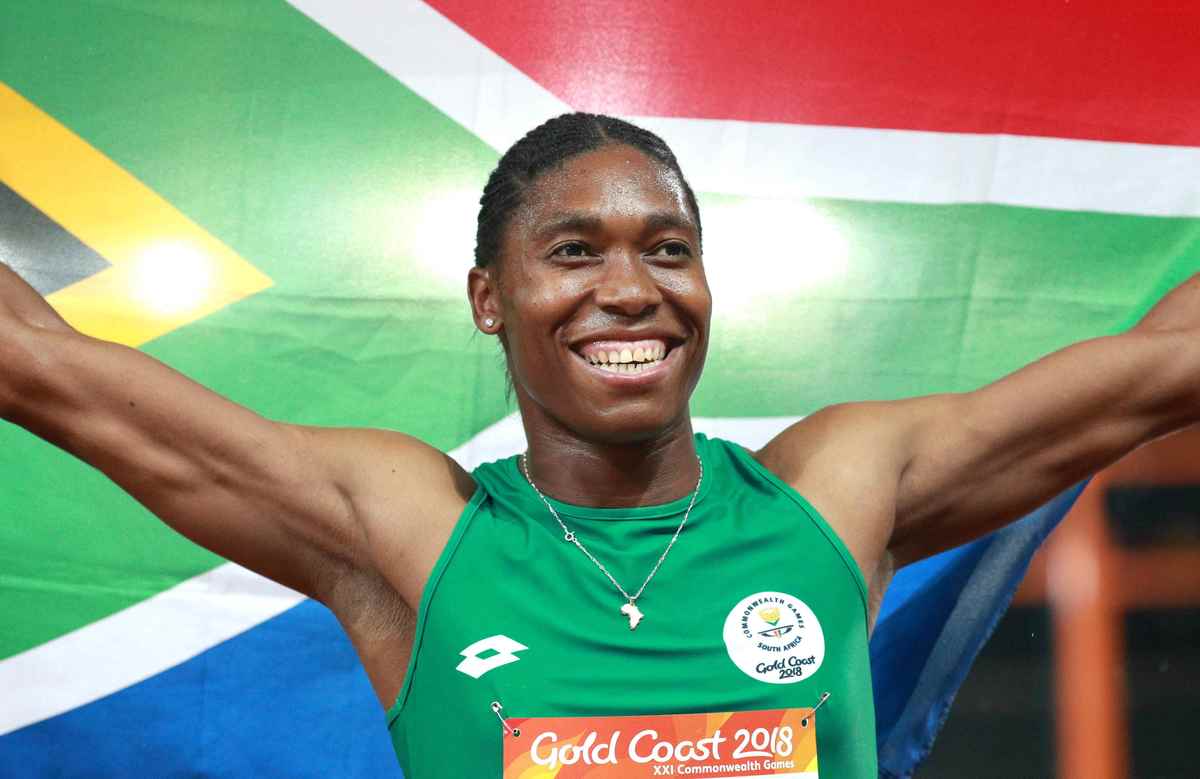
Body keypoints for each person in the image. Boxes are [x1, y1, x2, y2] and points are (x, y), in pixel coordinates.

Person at [1, 112, 1197, 777]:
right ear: (489, 297)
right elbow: (39, 366)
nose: (631, 289)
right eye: (573, 251)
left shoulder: (837, 491)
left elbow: (1167, 361)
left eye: (668, 250)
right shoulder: (414, 530)